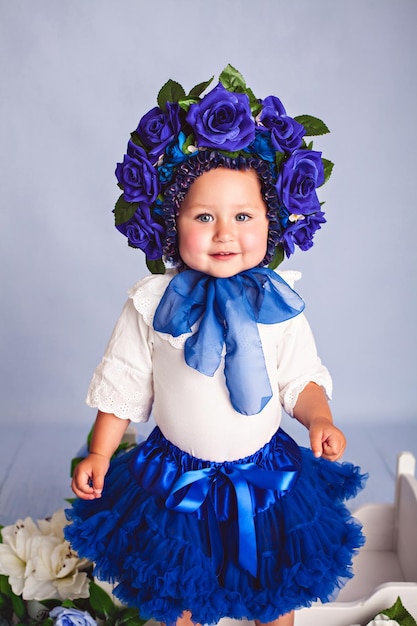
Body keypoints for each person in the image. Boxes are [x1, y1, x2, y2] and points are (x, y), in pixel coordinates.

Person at [65, 65, 367, 626]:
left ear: (270, 224)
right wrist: (102, 452)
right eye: (204, 216)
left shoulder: (280, 303)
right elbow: (126, 384)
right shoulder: (152, 305)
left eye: (243, 216)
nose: (225, 232)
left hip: (265, 477)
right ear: (170, 221)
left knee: (274, 593)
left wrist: (318, 418)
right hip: (176, 479)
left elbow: (298, 376)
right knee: (179, 589)